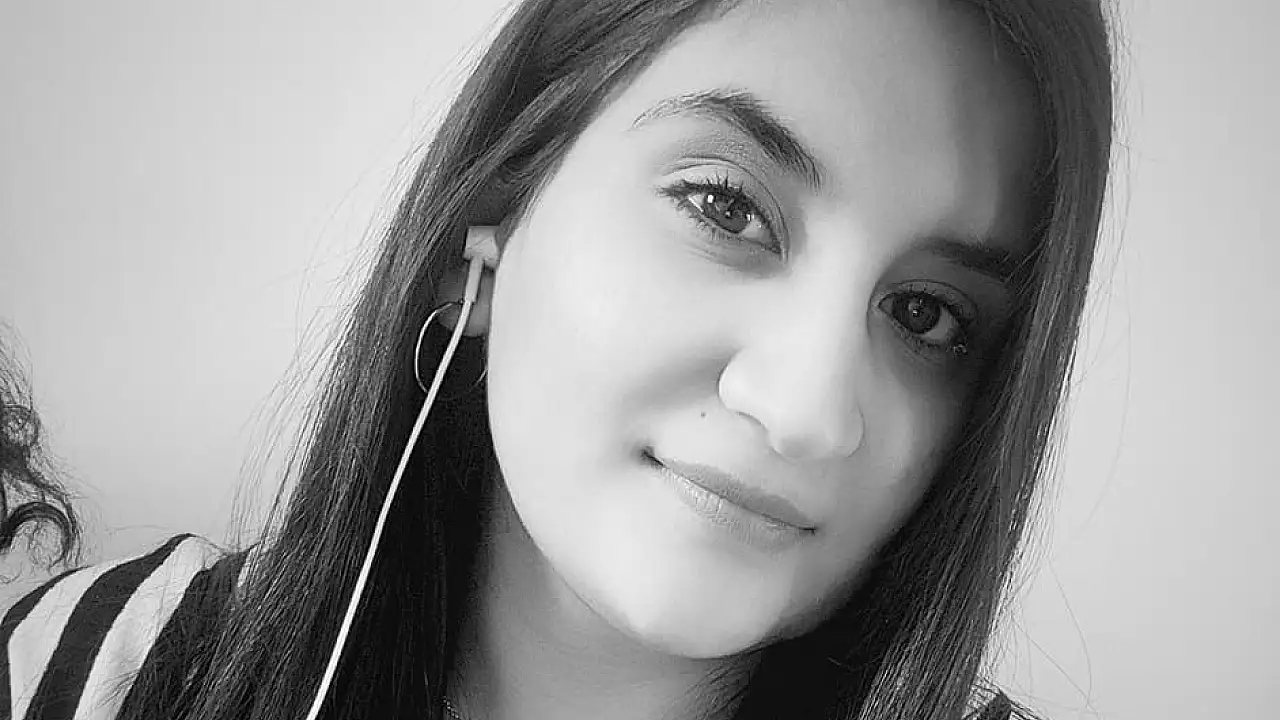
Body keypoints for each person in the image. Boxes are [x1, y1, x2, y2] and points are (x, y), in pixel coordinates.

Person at [0, 0, 1115, 718]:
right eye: (724, 206)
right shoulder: (99, 664)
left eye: (925, 315)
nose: (809, 409)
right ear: (479, 241)